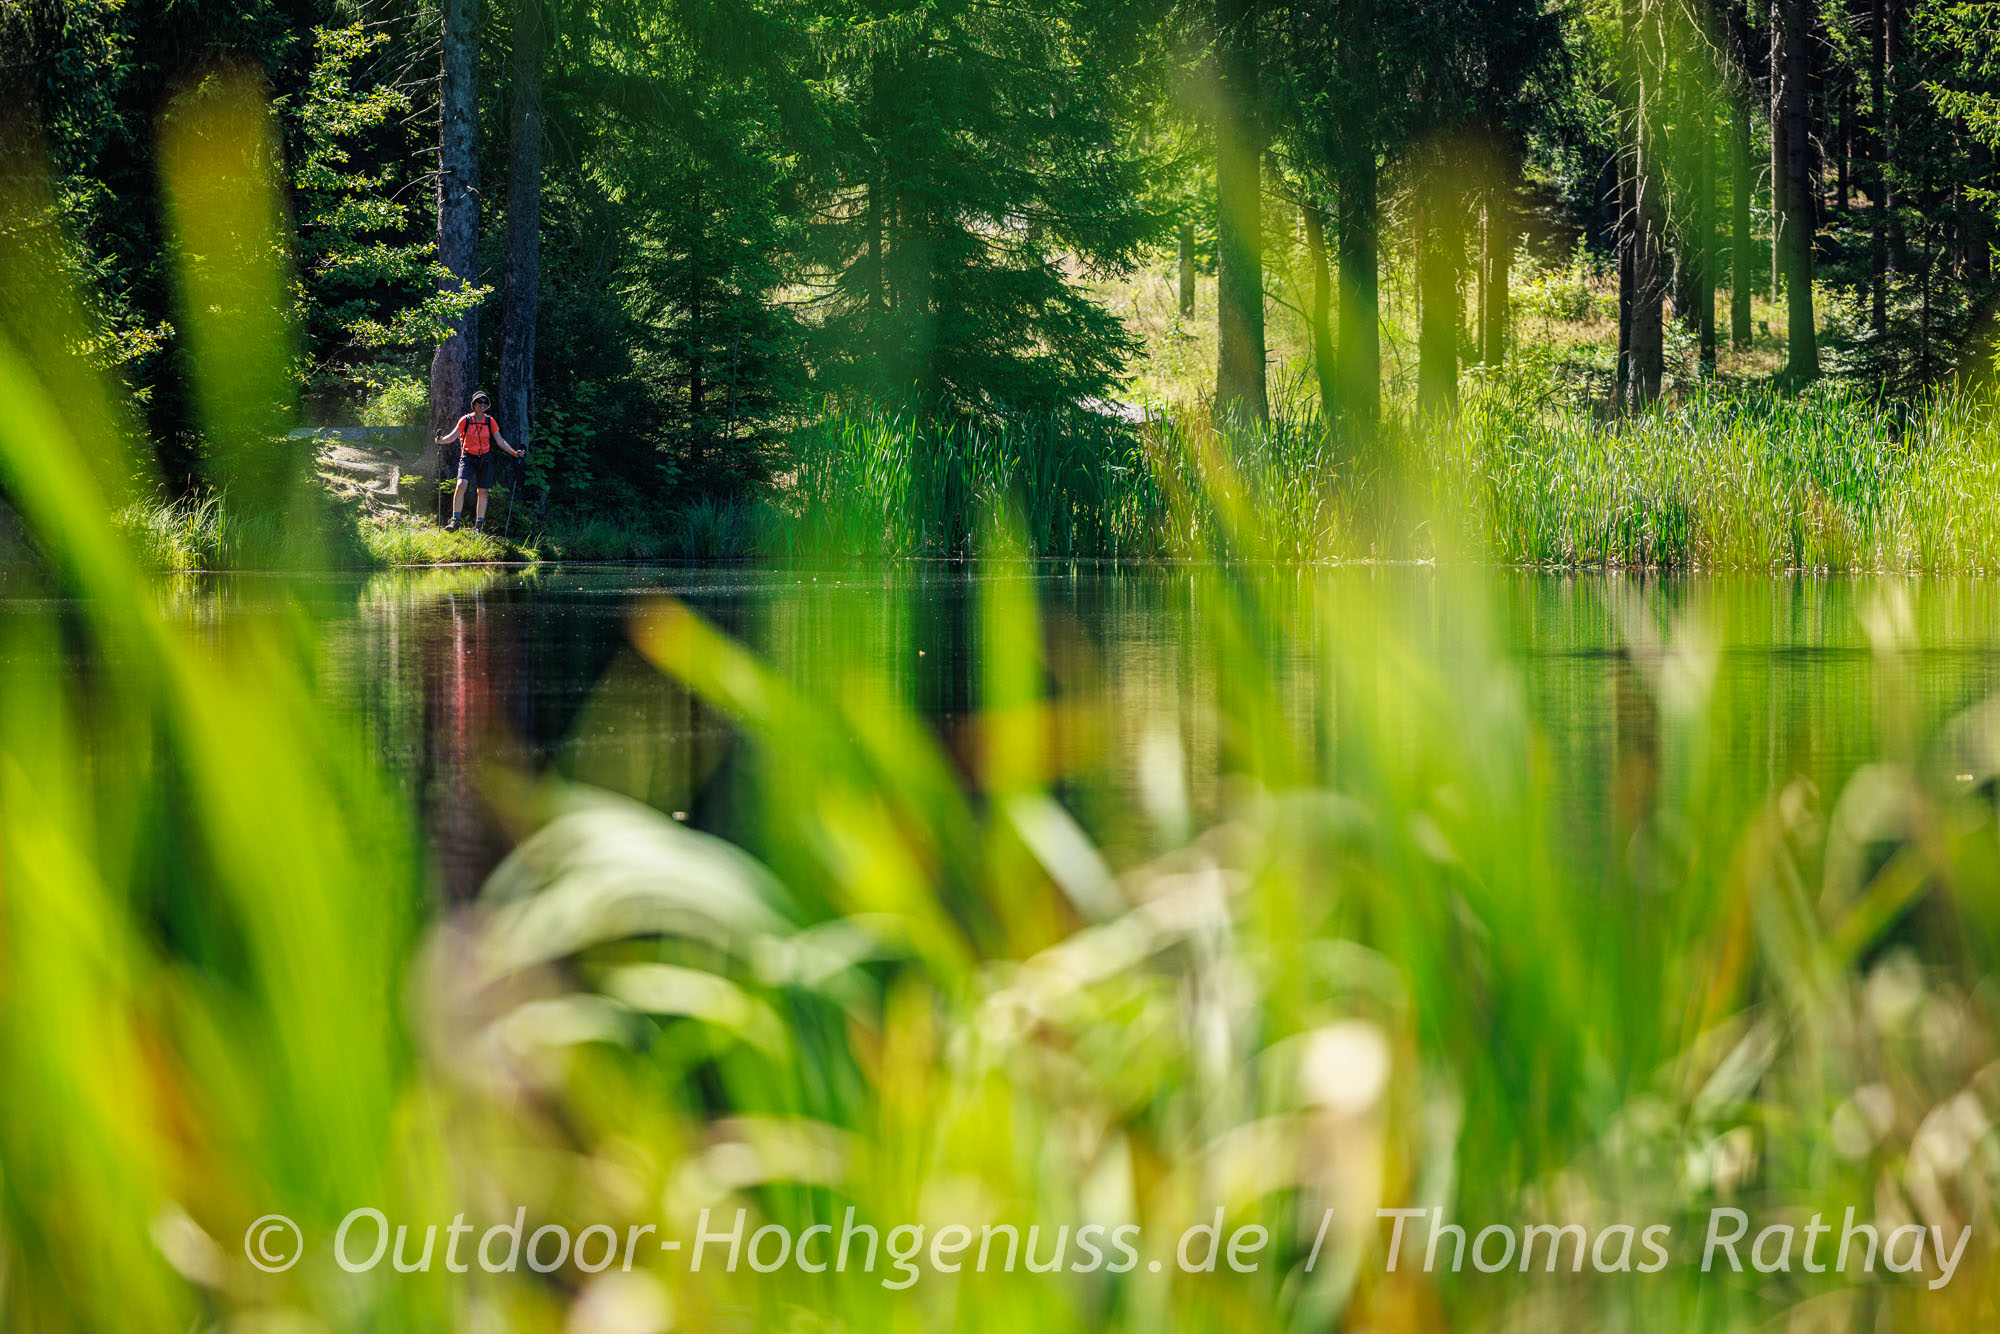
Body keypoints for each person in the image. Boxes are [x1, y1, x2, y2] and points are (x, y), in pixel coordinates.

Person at [433, 391, 523, 532]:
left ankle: (478, 526)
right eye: (479, 402)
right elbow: (452, 436)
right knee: (461, 485)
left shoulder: (490, 421)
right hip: (468, 457)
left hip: (484, 458)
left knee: (483, 491)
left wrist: (514, 452)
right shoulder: (466, 420)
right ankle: (455, 520)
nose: (483, 404)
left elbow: (500, 441)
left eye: (485, 402)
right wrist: (440, 440)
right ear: (474, 404)